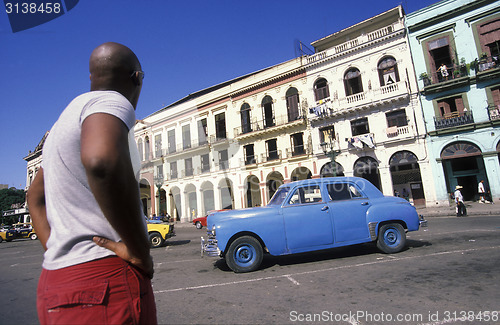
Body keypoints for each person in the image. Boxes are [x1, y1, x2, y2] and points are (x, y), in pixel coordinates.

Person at [27, 42, 157, 324]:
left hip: (56, 281)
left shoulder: (65, 120)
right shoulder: (111, 101)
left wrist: (58, 249)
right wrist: (138, 250)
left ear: (91, 78)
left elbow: (34, 197)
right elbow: (101, 161)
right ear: (137, 78)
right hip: (105, 284)